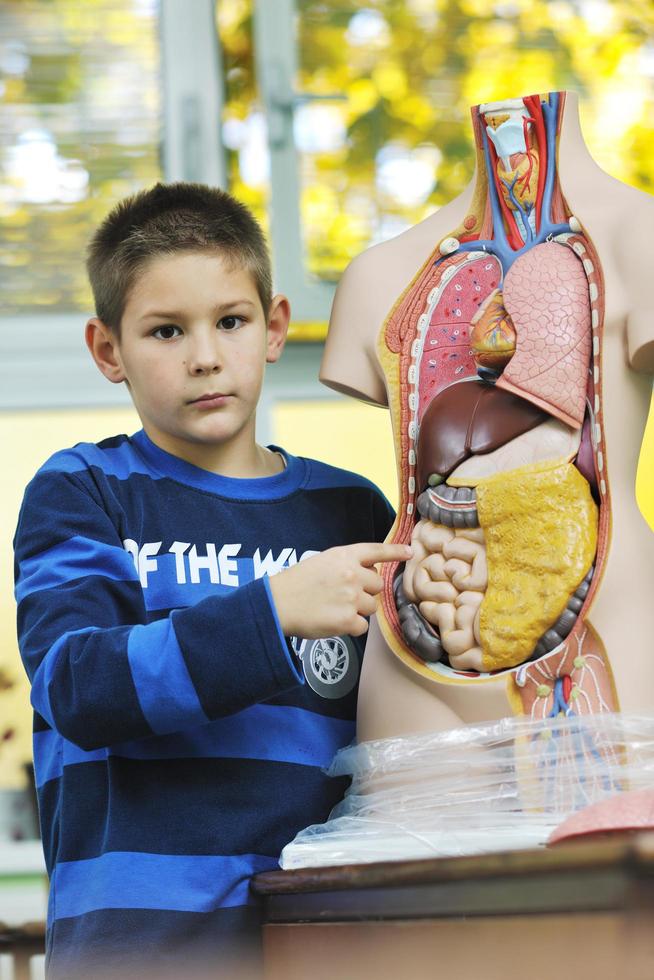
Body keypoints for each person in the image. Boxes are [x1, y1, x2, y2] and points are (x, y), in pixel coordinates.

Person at [14, 181, 410, 980]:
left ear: (275, 327)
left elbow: (393, 739)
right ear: (107, 351)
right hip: (140, 953)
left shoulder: (352, 510)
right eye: (166, 330)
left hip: (321, 939)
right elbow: (79, 688)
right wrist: (273, 614)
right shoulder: (84, 490)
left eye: (230, 321)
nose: (204, 355)